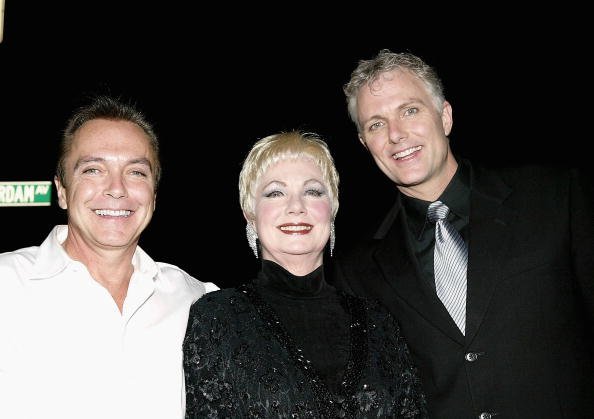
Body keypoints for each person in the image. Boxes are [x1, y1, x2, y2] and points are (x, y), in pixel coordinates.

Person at [331, 49, 594, 418]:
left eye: (410, 110)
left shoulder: (554, 197)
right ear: (364, 143)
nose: (395, 134)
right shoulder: (356, 271)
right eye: (375, 124)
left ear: (445, 116)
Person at [0, 94, 218, 419]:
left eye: (136, 173)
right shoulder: (6, 286)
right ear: (61, 190)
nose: (116, 188)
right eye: (93, 170)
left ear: (154, 197)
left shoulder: (198, 301)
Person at [182, 130, 427, 418]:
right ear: (251, 214)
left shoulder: (379, 321)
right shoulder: (216, 318)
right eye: (275, 192)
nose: (296, 207)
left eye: (312, 191)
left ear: (331, 210)